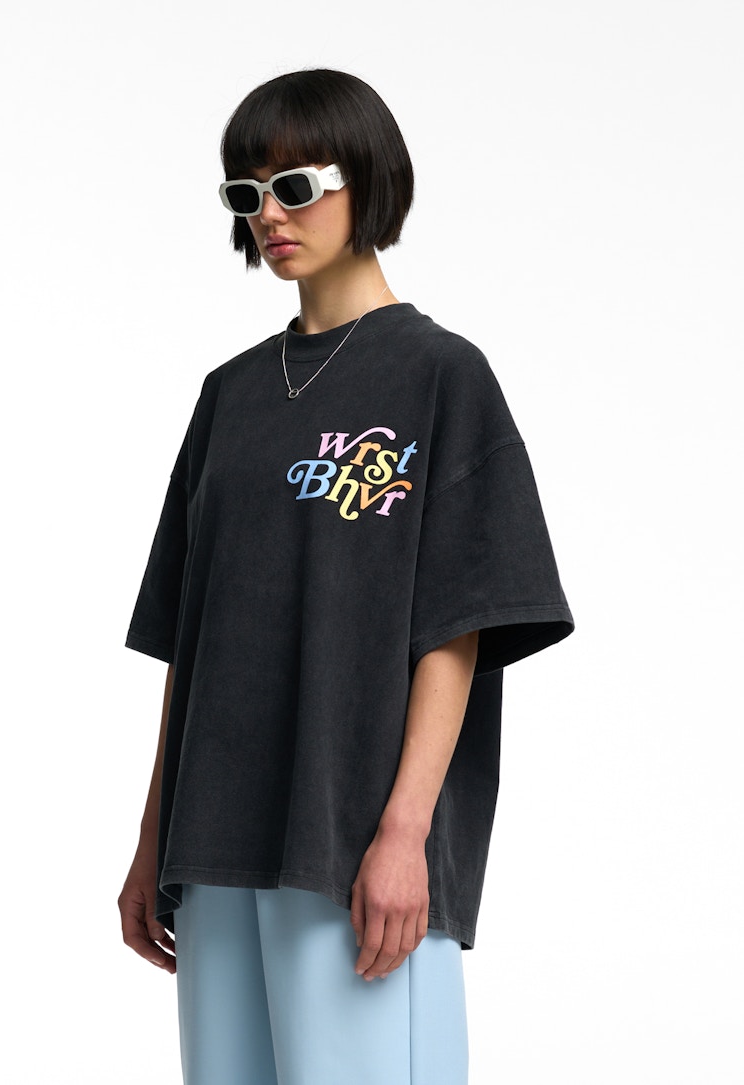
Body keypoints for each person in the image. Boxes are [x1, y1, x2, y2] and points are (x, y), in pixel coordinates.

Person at [118, 68, 574, 1085]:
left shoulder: (441, 375)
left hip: (350, 842)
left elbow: (456, 626)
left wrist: (406, 830)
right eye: (247, 193)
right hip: (214, 842)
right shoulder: (228, 395)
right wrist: (154, 840)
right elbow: (190, 638)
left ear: (367, 180)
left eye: (296, 186)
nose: (269, 216)